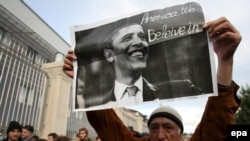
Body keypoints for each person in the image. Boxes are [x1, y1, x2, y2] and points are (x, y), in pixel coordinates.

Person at [64, 17, 241, 140]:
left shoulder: (185, 85)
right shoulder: (103, 99)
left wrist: (225, 62)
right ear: (109, 55)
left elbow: (215, 129)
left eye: (168, 128)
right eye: (154, 128)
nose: (160, 135)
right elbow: (108, 127)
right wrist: (83, 81)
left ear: (181, 134)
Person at [67, 23, 201, 108]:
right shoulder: (98, 103)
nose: (139, 42)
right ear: (109, 55)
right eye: (127, 38)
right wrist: (76, 76)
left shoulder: (182, 88)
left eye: (142, 37)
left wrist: (223, 63)